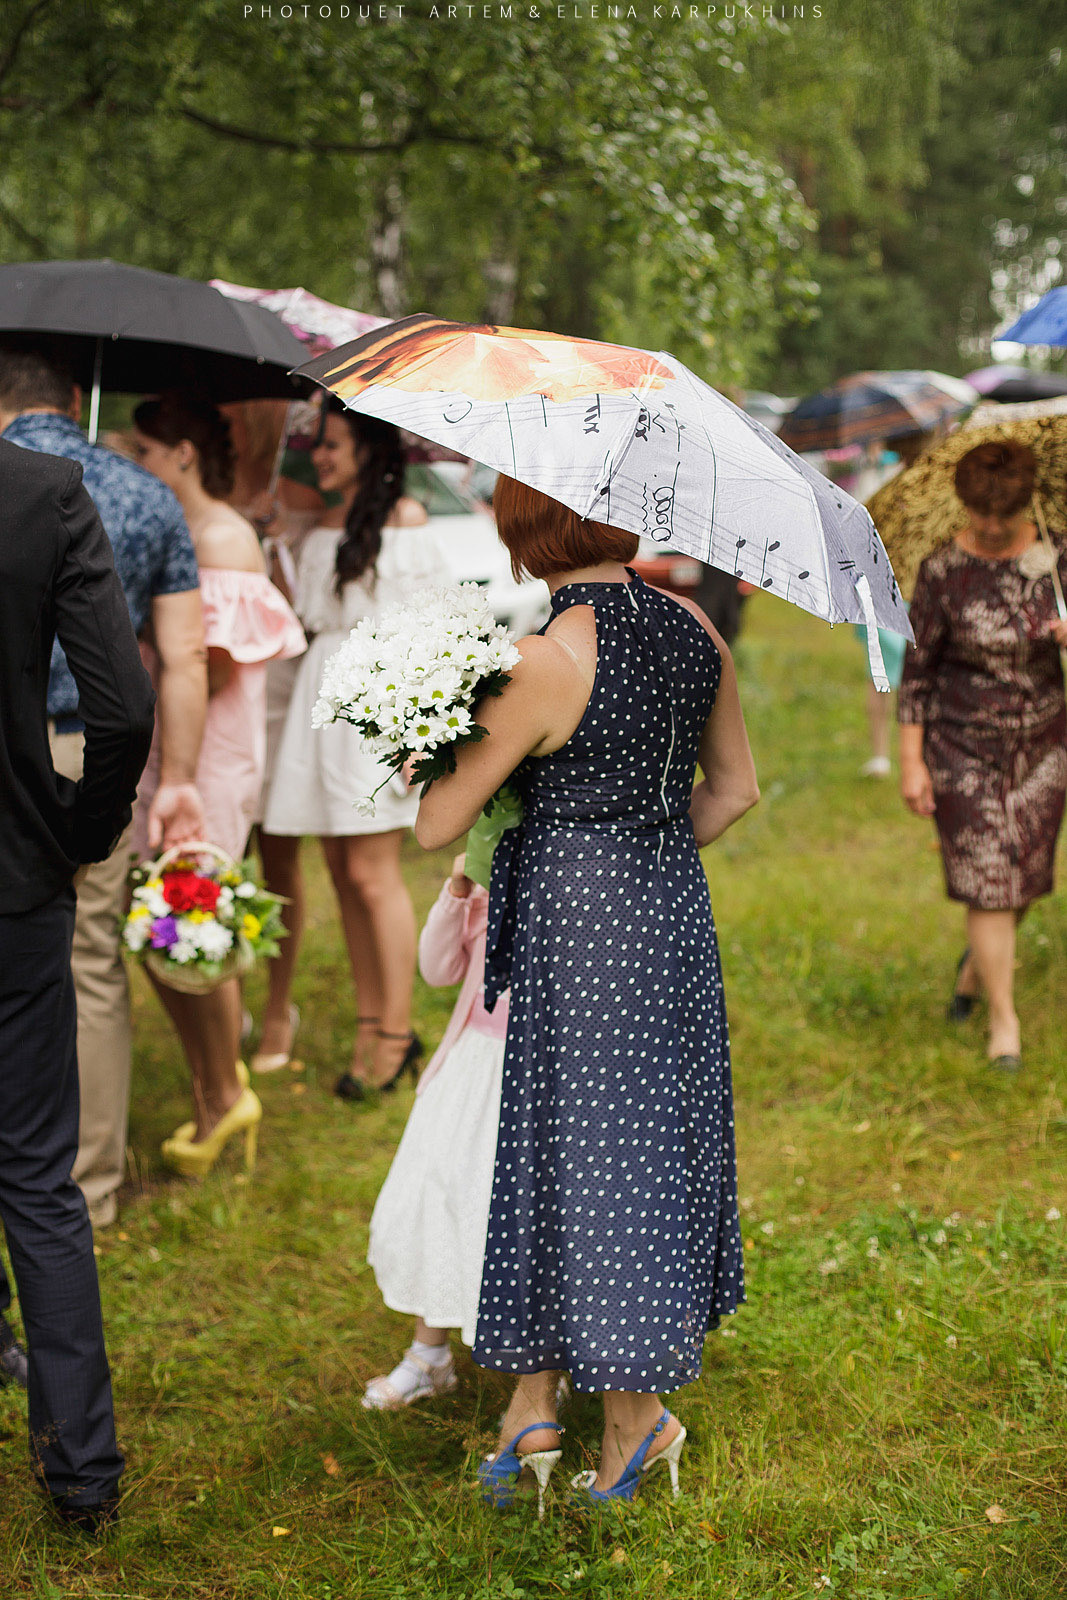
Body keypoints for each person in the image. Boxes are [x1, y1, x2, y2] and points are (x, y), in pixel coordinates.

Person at [415, 478, 759, 1507]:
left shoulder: (542, 661)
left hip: (577, 927)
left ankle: (635, 1419)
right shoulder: (696, 626)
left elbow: (439, 823)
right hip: (665, 915)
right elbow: (732, 788)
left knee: (583, 1154)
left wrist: (425, 727)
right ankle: (532, 1397)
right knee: (637, 1141)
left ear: (524, 532)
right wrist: (643, 848)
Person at [0, 342, 207, 1229]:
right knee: (88, 968)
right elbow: (185, 655)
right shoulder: (148, 495)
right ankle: (84, 1188)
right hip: (95, 752)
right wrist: (180, 780)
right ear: (78, 398)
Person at [0, 437, 154, 1531]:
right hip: (10, 876)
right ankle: (81, 1476)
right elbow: (123, 708)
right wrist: (77, 834)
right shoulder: (41, 491)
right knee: (36, 1174)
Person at [129, 393, 306, 1176]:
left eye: (143, 453)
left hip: (211, 759)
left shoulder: (223, 539)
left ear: (183, 456)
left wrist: (139, 622)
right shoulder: (180, 532)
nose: (135, 466)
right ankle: (214, 1088)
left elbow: (219, 658)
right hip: (169, 751)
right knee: (158, 923)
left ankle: (225, 1093)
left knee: (196, 920)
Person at [261, 403, 449, 1096]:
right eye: (318, 444)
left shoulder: (403, 520)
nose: (320, 457)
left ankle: (396, 1036)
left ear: (369, 449)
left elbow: (430, 630)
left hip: (380, 702)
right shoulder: (320, 524)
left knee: (373, 875)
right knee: (341, 871)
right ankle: (371, 1022)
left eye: (333, 445)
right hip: (325, 700)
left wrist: (417, 733)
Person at [898, 440, 1067, 1070]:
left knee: (1022, 876)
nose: (992, 528)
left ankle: (976, 966)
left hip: (1045, 745)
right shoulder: (942, 571)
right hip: (960, 746)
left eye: (1005, 515)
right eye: (981, 514)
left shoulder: (1058, 557)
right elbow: (917, 673)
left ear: (1026, 503)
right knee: (988, 884)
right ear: (964, 505)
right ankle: (1005, 1024)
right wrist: (912, 762)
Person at [363, 851, 508, 1410]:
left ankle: (549, 1366)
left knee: (526, 1211)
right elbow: (438, 969)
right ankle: (430, 1354)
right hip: (473, 1064)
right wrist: (458, 892)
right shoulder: (483, 886)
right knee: (440, 1193)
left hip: (543, 1070)